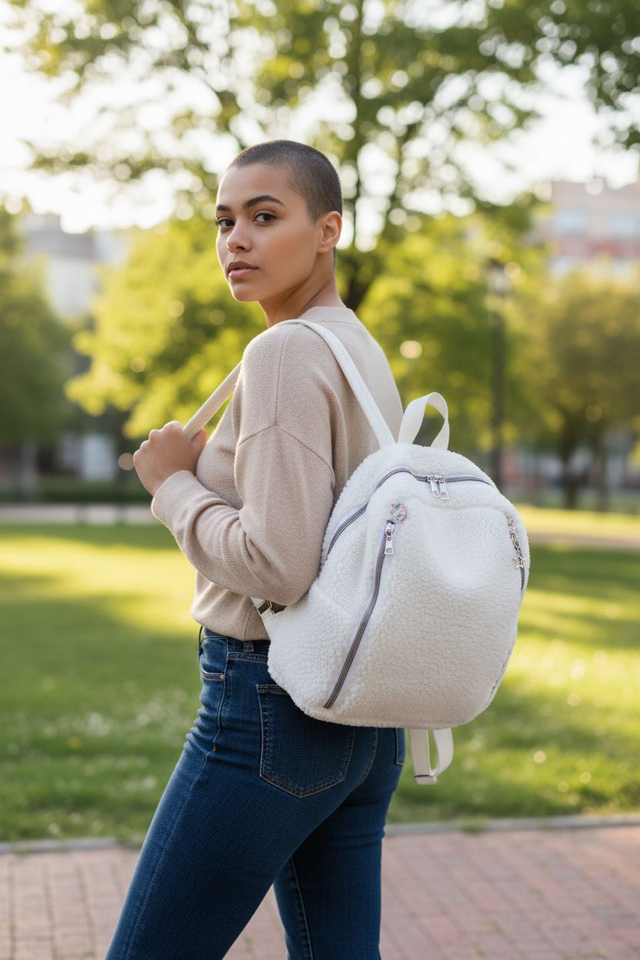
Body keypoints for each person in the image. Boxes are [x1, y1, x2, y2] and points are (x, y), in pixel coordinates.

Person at [106, 139, 406, 960]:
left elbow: (280, 564)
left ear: (327, 230)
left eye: (265, 217)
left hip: (267, 707)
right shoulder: (356, 346)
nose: (236, 238)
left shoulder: (281, 353)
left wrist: (171, 484)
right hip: (363, 717)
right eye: (225, 220)